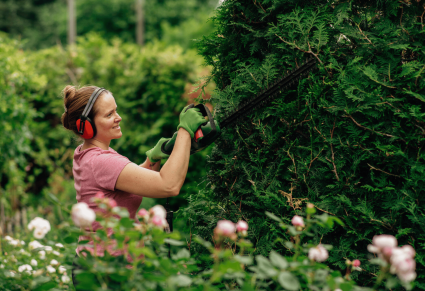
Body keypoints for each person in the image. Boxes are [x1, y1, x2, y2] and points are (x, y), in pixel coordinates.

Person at [60, 85, 206, 289]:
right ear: (86, 126)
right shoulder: (101, 161)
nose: (118, 117)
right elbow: (169, 185)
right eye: (109, 114)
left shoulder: (88, 153)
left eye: (116, 110)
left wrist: (152, 159)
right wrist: (185, 130)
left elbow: (124, 184)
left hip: (102, 266)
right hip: (106, 272)